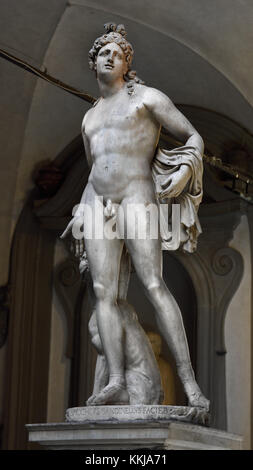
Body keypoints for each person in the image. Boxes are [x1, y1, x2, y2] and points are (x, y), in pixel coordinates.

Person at [62, 23, 209, 410]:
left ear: (127, 62)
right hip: (96, 202)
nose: (109, 57)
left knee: (154, 284)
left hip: (136, 196)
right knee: (102, 294)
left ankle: (190, 385)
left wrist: (184, 169)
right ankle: (114, 379)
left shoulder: (146, 99)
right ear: (94, 64)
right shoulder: (89, 119)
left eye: (117, 53)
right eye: (103, 53)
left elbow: (193, 136)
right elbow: (96, 166)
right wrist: (83, 212)